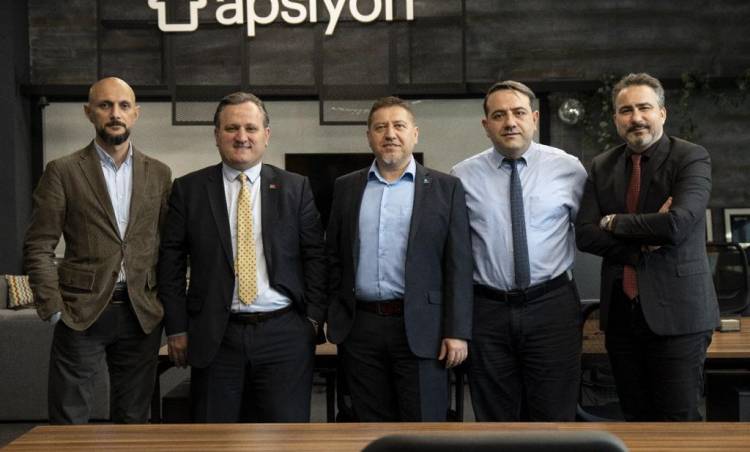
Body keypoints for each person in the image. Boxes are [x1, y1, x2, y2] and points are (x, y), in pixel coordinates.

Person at [158, 92, 327, 423]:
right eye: (231, 128)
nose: (241, 136)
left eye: (251, 128)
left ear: (266, 134)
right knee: (215, 438)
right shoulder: (189, 190)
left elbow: (315, 257)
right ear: (216, 135)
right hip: (216, 336)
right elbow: (171, 265)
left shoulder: (295, 188)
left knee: (286, 438)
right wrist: (176, 327)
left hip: (284, 335)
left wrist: (312, 321)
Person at [23, 77, 172, 424]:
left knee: (134, 420)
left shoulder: (159, 173)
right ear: (89, 113)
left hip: (141, 314)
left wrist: (165, 305)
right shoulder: (62, 171)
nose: (115, 113)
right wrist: (54, 308)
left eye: (123, 106)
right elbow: (39, 245)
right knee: (68, 420)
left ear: (135, 113)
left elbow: (168, 246)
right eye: (105, 105)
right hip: (80, 313)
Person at [576, 73, 719, 421]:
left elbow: (677, 224)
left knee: (677, 420)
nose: (636, 118)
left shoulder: (690, 157)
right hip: (622, 317)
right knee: (635, 421)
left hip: (679, 315)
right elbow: (584, 234)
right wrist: (639, 248)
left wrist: (613, 222)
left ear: (662, 113)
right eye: (626, 110)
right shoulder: (601, 166)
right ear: (616, 119)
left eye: (644, 108)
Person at [326, 96, 473, 421]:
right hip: (361, 329)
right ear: (369, 136)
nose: (390, 134)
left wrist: (457, 330)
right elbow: (333, 256)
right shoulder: (346, 187)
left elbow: (459, 265)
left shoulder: (446, 188)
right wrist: (334, 312)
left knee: (424, 428)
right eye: (380, 127)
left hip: (423, 328)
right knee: (367, 427)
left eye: (399, 126)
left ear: (414, 134)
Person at [451, 81, 587, 421]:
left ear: (534, 119)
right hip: (487, 311)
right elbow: (453, 254)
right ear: (486, 125)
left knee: (555, 417)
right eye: (499, 115)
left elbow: (592, 230)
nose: (510, 122)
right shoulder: (461, 177)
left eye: (519, 113)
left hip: (551, 306)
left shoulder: (569, 168)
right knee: (495, 418)